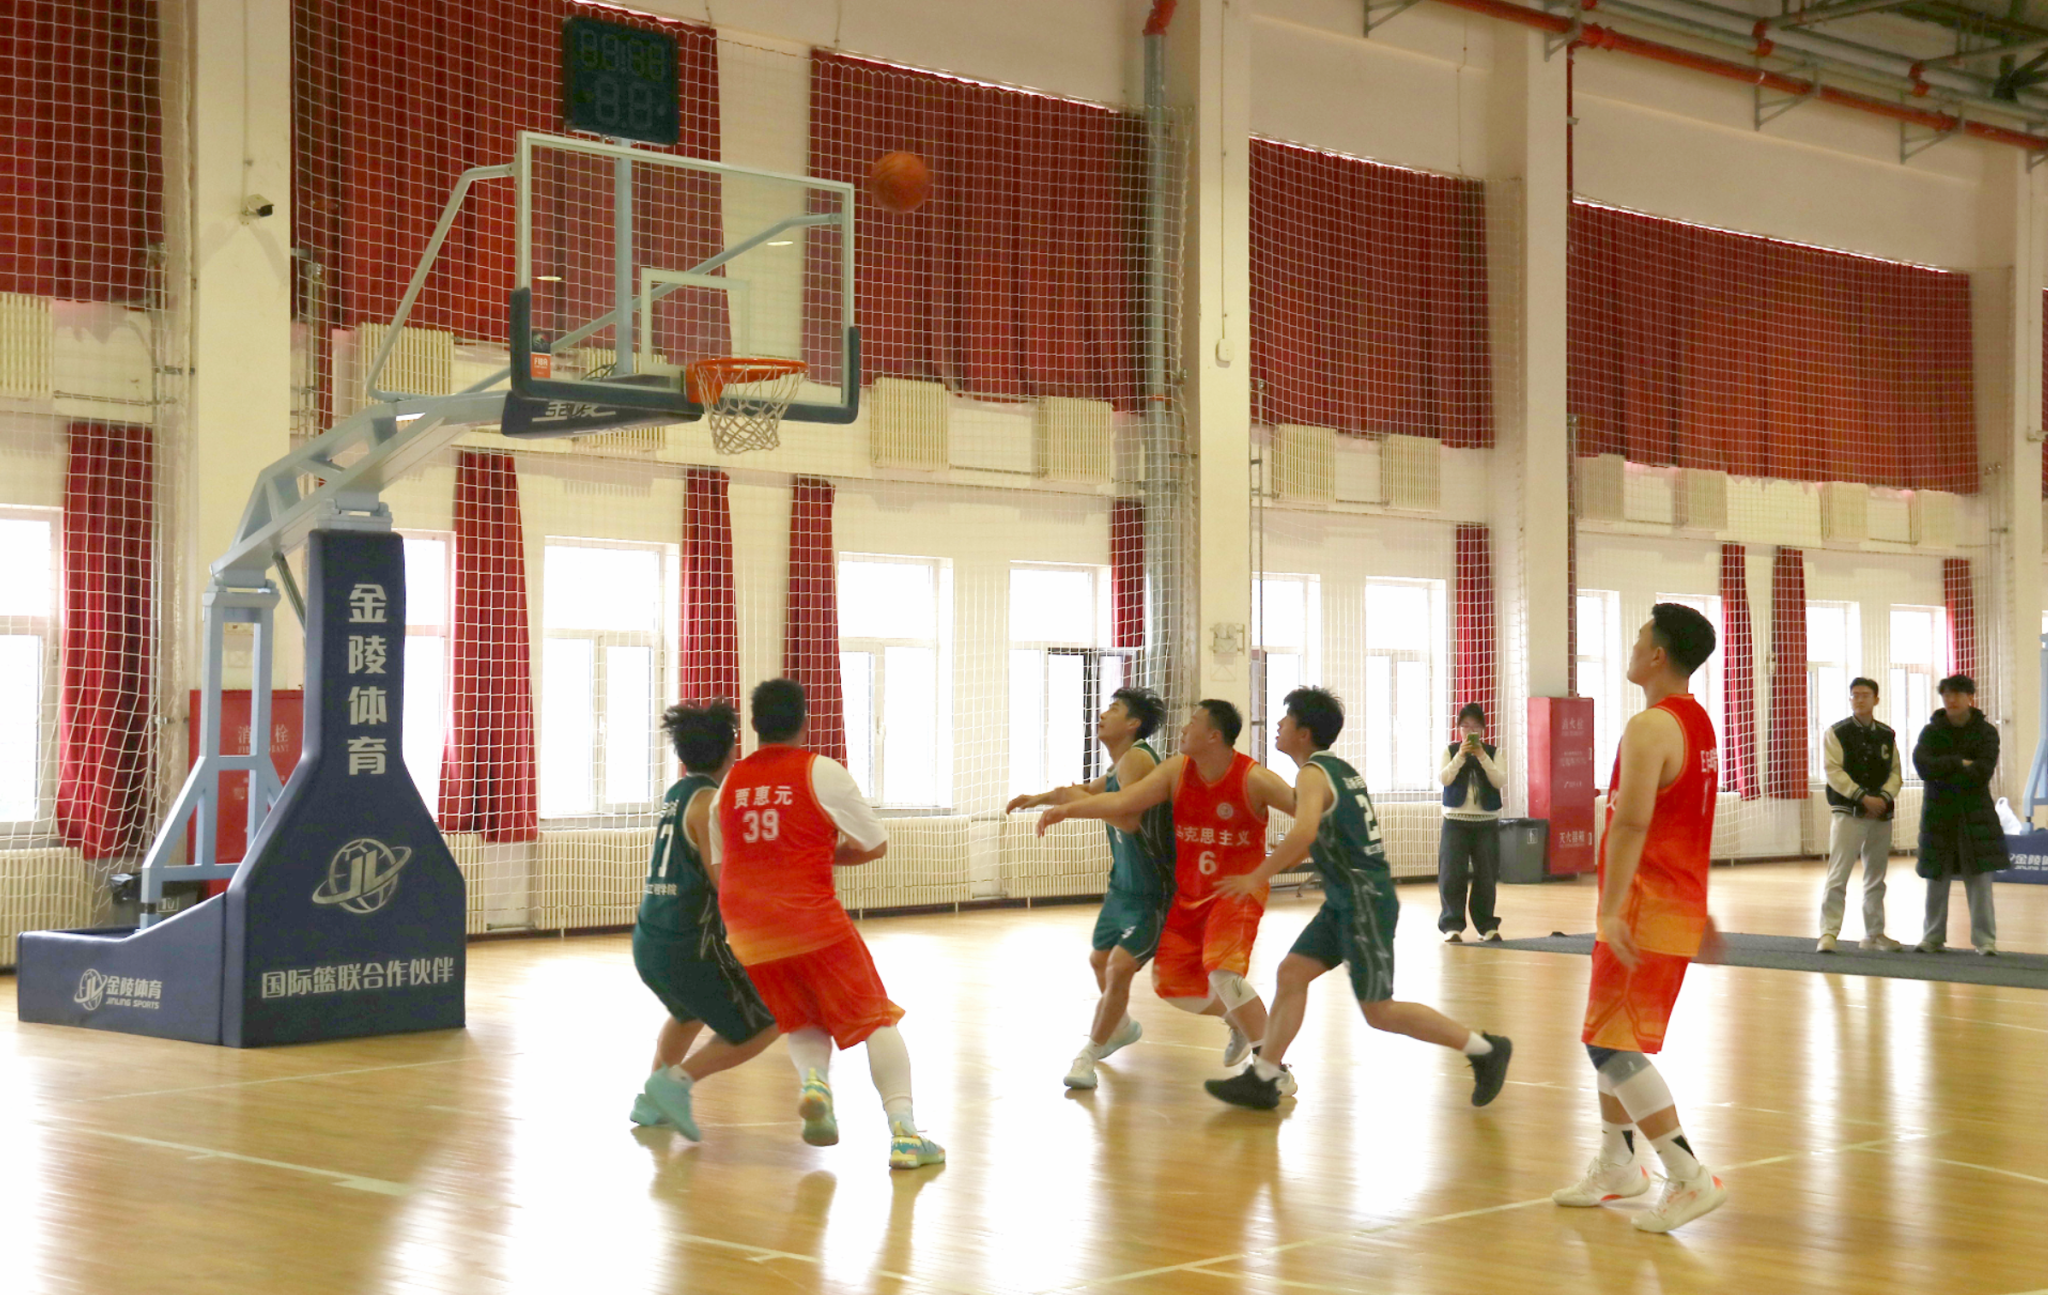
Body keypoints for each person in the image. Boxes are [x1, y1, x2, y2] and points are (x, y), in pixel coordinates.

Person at [1203, 686, 1513, 1111]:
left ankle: (1486, 1050)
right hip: (1345, 898)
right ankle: (1265, 1076)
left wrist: (1256, 875)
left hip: (1364, 899)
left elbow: (1304, 832)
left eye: (1285, 719)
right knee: (1291, 973)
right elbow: (1328, 834)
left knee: (1379, 1012)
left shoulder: (1312, 774)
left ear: (1304, 733)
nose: (1277, 724)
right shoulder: (1338, 770)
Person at [712, 678, 945, 1170]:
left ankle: (815, 1084)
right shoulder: (821, 771)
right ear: (806, 721)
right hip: (806, 918)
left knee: (803, 1018)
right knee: (876, 1017)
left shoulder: (727, 786)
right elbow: (874, 845)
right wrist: (820, 853)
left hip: (745, 928)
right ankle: (905, 1135)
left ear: (753, 726)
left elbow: (725, 858)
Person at [1554, 602, 1727, 1235]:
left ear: (1657, 655)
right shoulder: (1699, 722)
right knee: (1612, 1035)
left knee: (1607, 1044)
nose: (1631, 646)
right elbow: (1690, 820)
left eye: (1639, 637)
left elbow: (1630, 824)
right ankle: (1619, 1162)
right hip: (1674, 901)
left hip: (1645, 906)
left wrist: (1610, 908)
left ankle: (1686, 1174)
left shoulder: (1650, 725)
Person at [1038, 699, 1294, 1080]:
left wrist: (1285, 857)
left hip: (1236, 892)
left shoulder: (1253, 778)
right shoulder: (1176, 770)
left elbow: (1308, 812)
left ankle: (1273, 1071)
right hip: (1190, 895)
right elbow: (1124, 800)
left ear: (1214, 735)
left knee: (1223, 972)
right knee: (1173, 986)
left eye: (1193, 722)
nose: (1184, 728)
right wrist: (1066, 809)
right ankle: (1242, 1020)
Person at [1005, 687, 1177, 1090]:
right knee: (1100, 960)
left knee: (1119, 968)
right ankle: (1121, 1027)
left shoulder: (1138, 758)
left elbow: (1129, 819)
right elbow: (1088, 791)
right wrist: (1040, 798)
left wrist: (1074, 806)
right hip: (1123, 887)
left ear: (1133, 724)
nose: (1102, 714)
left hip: (1151, 890)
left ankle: (1089, 1054)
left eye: (1114, 709)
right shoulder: (1120, 764)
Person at [633, 702, 780, 1138]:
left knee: (687, 1014)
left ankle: (650, 1102)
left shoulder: (676, 794)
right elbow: (723, 883)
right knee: (771, 1018)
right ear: (731, 750)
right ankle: (675, 1084)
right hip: (688, 945)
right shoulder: (710, 804)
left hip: (649, 939)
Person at [1912, 674, 2004, 956]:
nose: (1950, 700)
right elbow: (1923, 767)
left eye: (1956, 694)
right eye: (1946, 695)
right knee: (1936, 880)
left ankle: (1985, 941)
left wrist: (1945, 771)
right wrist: (1958, 763)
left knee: (1979, 881)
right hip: (1938, 814)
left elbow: (1982, 771)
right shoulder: (1931, 732)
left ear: (1970, 698)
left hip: (1975, 814)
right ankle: (1932, 938)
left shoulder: (1986, 732)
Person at [1817, 677, 1903, 954]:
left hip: (1880, 814)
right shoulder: (1837, 732)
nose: (1859, 699)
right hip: (1848, 813)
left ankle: (1874, 934)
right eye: (1855, 695)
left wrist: (1883, 798)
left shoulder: (1886, 734)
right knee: (1838, 874)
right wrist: (1862, 797)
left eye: (1865, 695)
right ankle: (1828, 933)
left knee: (1876, 877)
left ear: (1876, 699)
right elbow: (1833, 771)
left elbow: (1896, 773)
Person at [1438, 702, 1506, 943]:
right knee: (1451, 874)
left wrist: (1481, 756)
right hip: (1455, 820)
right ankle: (1452, 926)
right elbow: (1444, 778)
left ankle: (1486, 926)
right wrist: (1461, 756)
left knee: (1486, 875)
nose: (1470, 731)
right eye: (1465, 726)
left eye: (1475, 726)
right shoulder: (1450, 751)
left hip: (1486, 821)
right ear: (1458, 729)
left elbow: (1499, 781)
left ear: (1484, 730)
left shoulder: (1494, 752)